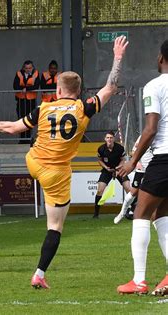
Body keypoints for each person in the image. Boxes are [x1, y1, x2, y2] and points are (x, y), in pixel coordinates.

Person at [0, 36, 128, 289]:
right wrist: (118, 57)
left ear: (57, 89)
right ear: (78, 91)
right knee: (55, 227)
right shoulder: (83, 108)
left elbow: (12, 129)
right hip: (56, 173)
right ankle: (39, 274)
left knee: (36, 147)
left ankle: (39, 159)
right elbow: (111, 87)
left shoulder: (43, 108)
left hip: (34, 162)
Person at [116, 39, 168, 296]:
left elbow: (151, 129)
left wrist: (132, 162)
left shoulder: (154, 86)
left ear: (161, 59)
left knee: (141, 214)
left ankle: (138, 281)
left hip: (164, 157)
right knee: (163, 215)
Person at [114, 135, 153, 224]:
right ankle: (122, 213)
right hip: (142, 170)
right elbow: (133, 152)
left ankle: (151, 218)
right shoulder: (145, 135)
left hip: (154, 170)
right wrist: (138, 162)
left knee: (154, 195)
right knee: (133, 192)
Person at [93, 131, 131, 218]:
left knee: (128, 188)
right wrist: (106, 167)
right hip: (107, 171)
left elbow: (123, 159)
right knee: (100, 190)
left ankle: (132, 210)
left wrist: (118, 167)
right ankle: (96, 213)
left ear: (114, 138)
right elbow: (99, 160)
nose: (109, 139)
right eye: (108, 138)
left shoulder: (120, 148)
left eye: (111, 137)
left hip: (119, 170)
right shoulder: (101, 148)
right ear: (105, 139)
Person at [13, 60, 40, 143]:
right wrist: (24, 88)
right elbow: (15, 86)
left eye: (30, 68)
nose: (28, 70)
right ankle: (22, 139)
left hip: (30, 100)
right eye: (26, 68)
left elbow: (36, 86)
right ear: (23, 68)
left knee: (30, 119)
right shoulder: (19, 73)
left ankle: (28, 139)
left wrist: (26, 88)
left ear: (32, 68)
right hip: (21, 100)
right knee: (21, 119)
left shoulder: (35, 73)